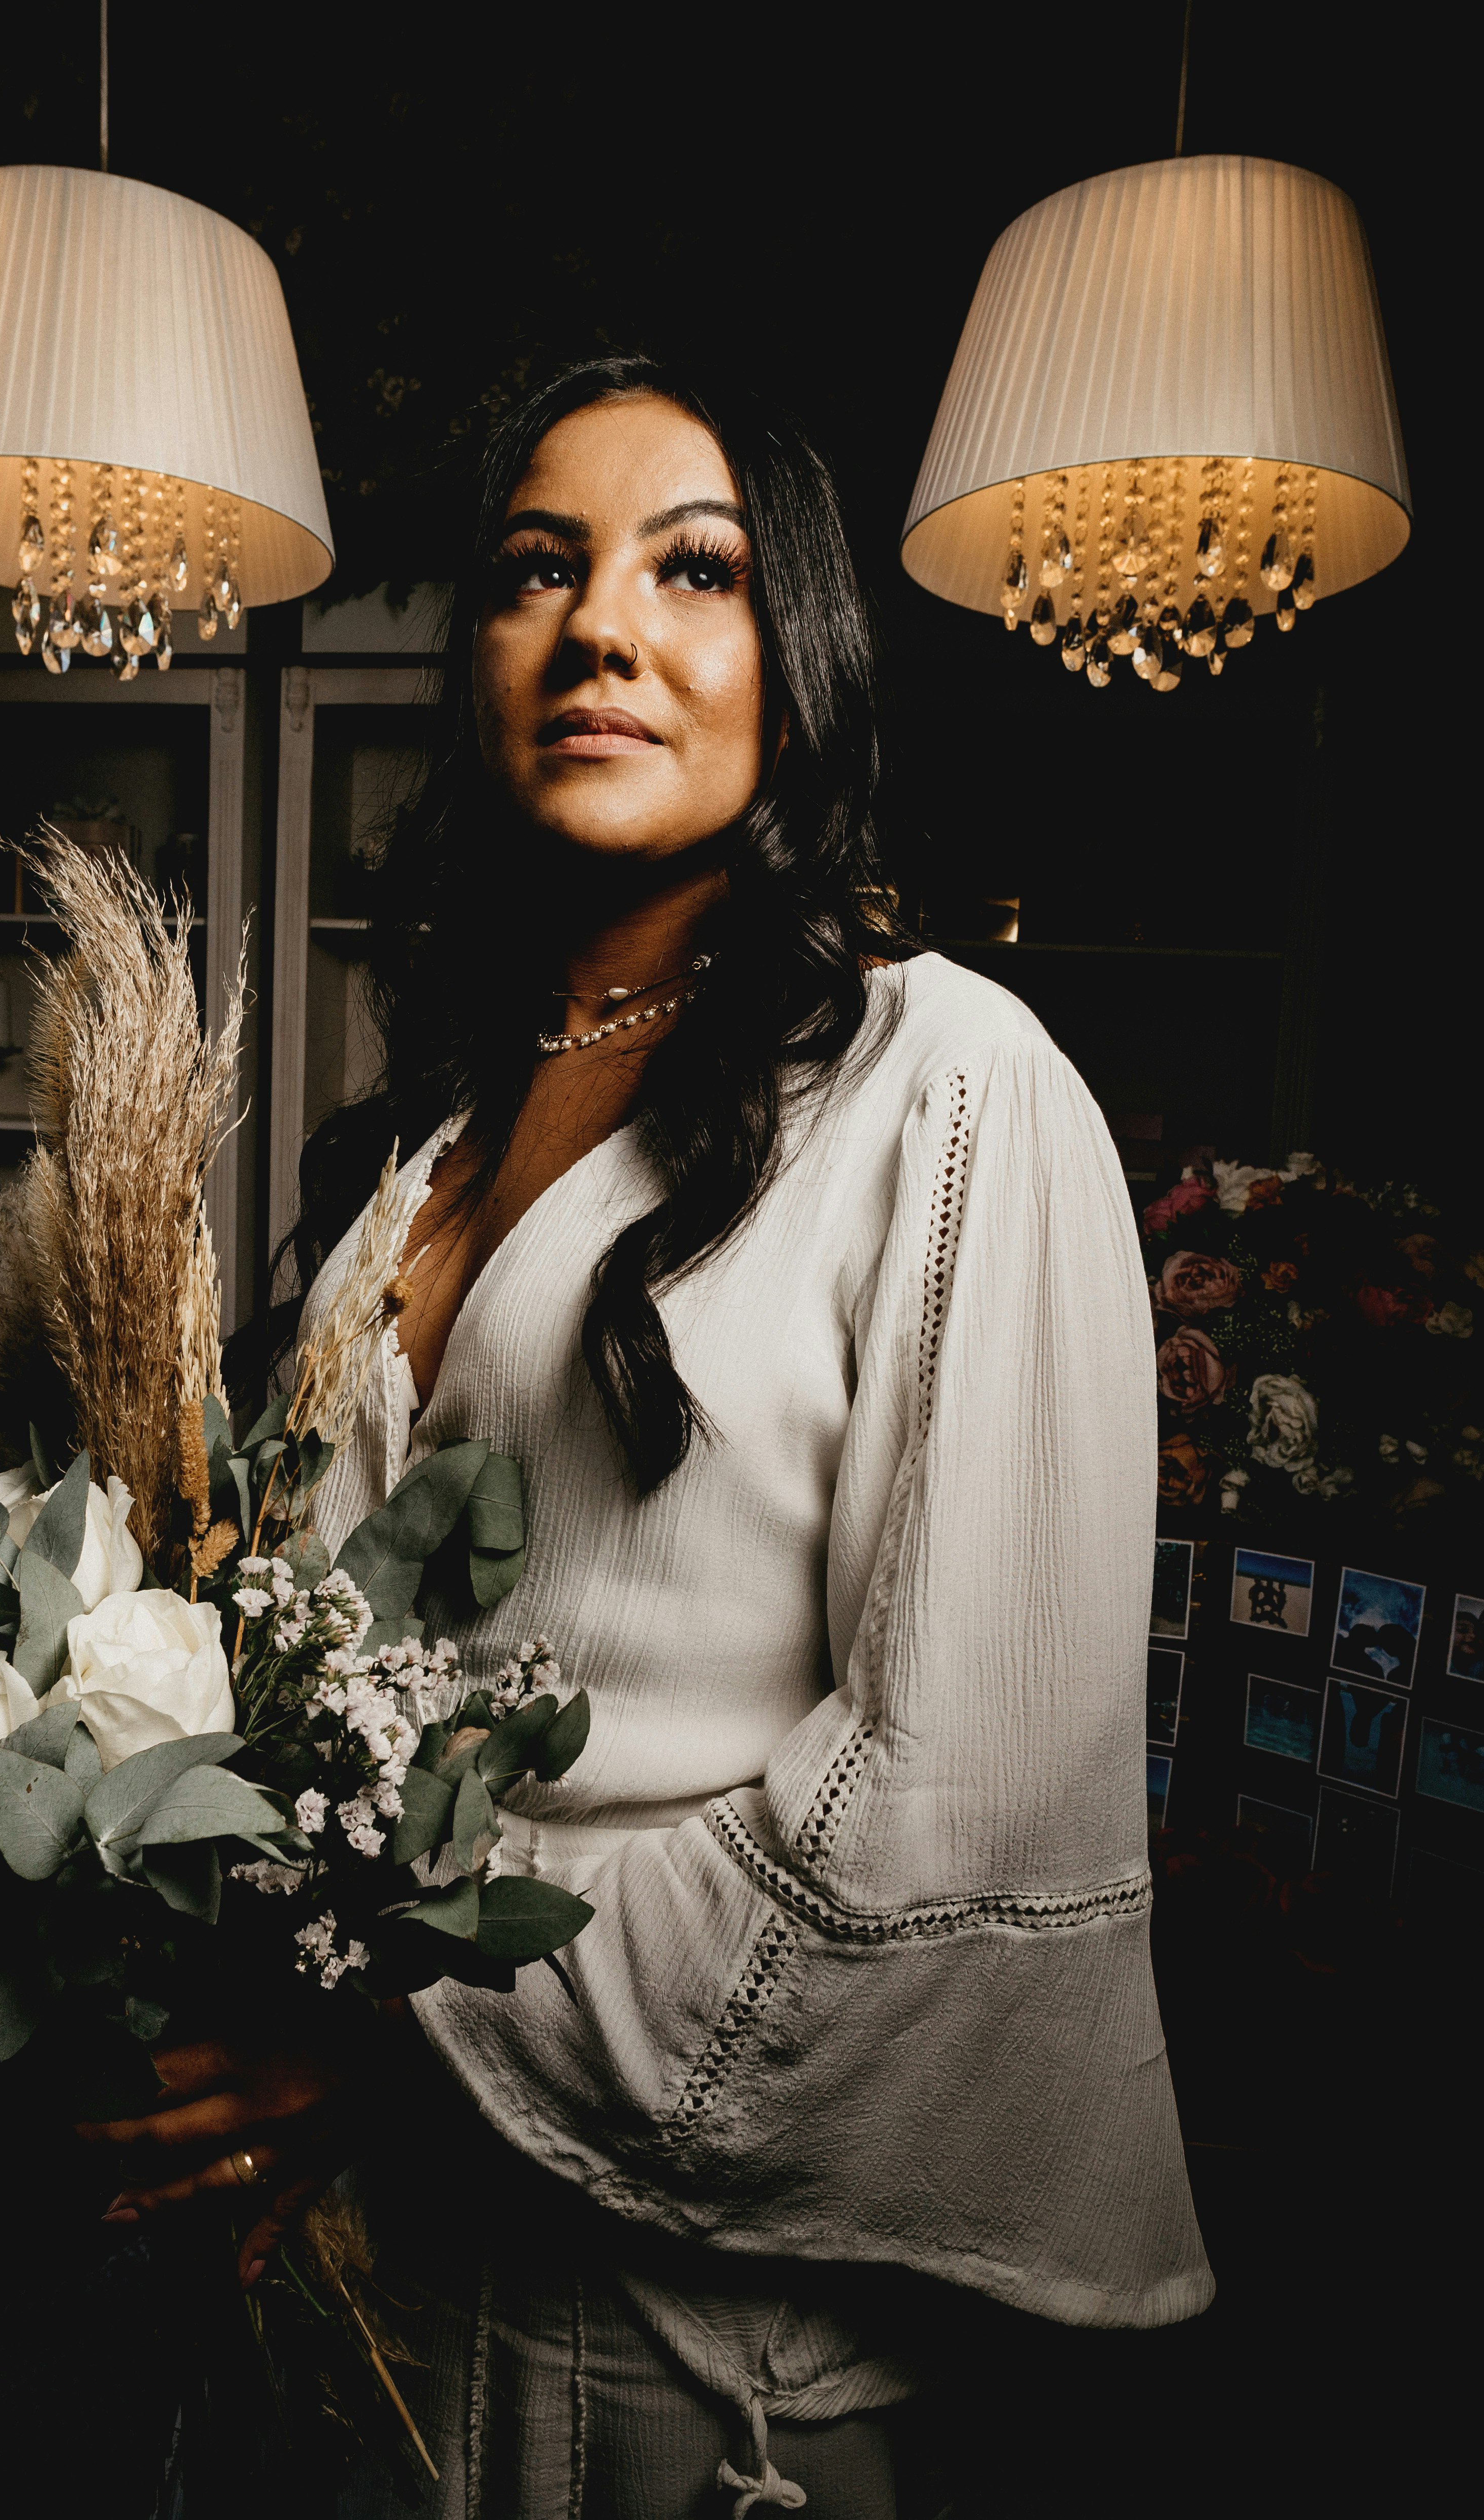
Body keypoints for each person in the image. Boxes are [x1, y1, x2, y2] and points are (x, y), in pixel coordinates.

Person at [90, 355, 1212, 2515]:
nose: (600, 623)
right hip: (343, 2292)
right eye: (536, 568)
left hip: (678, 2350)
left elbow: (946, 1802)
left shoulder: (933, 1086)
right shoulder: (418, 1147)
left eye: (691, 569)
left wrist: (377, 2029)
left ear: (796, 664)